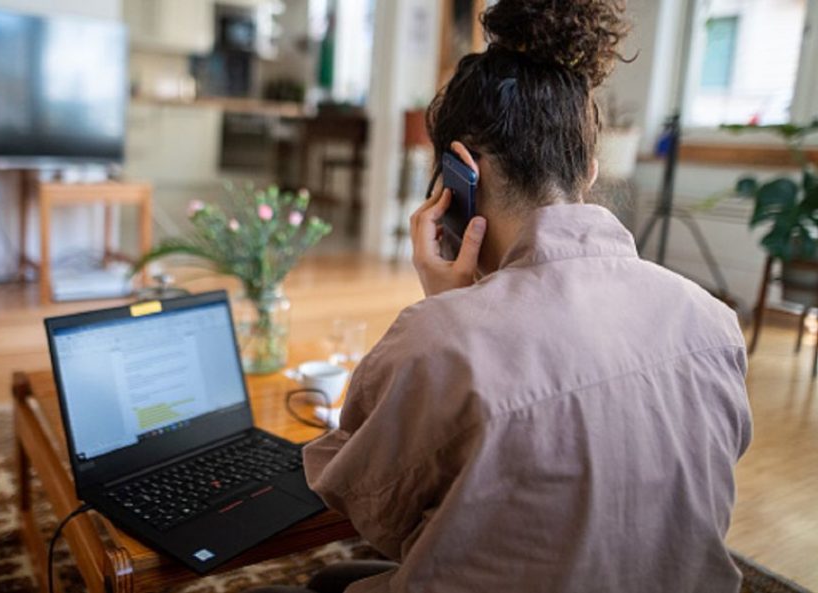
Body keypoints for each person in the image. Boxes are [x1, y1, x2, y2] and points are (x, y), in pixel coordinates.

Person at [250, 0, 752, 592]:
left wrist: (447, 311)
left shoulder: (439, 343)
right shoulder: (714, 323)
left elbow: (361, 501)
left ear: (462, 170)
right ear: (588, 169)